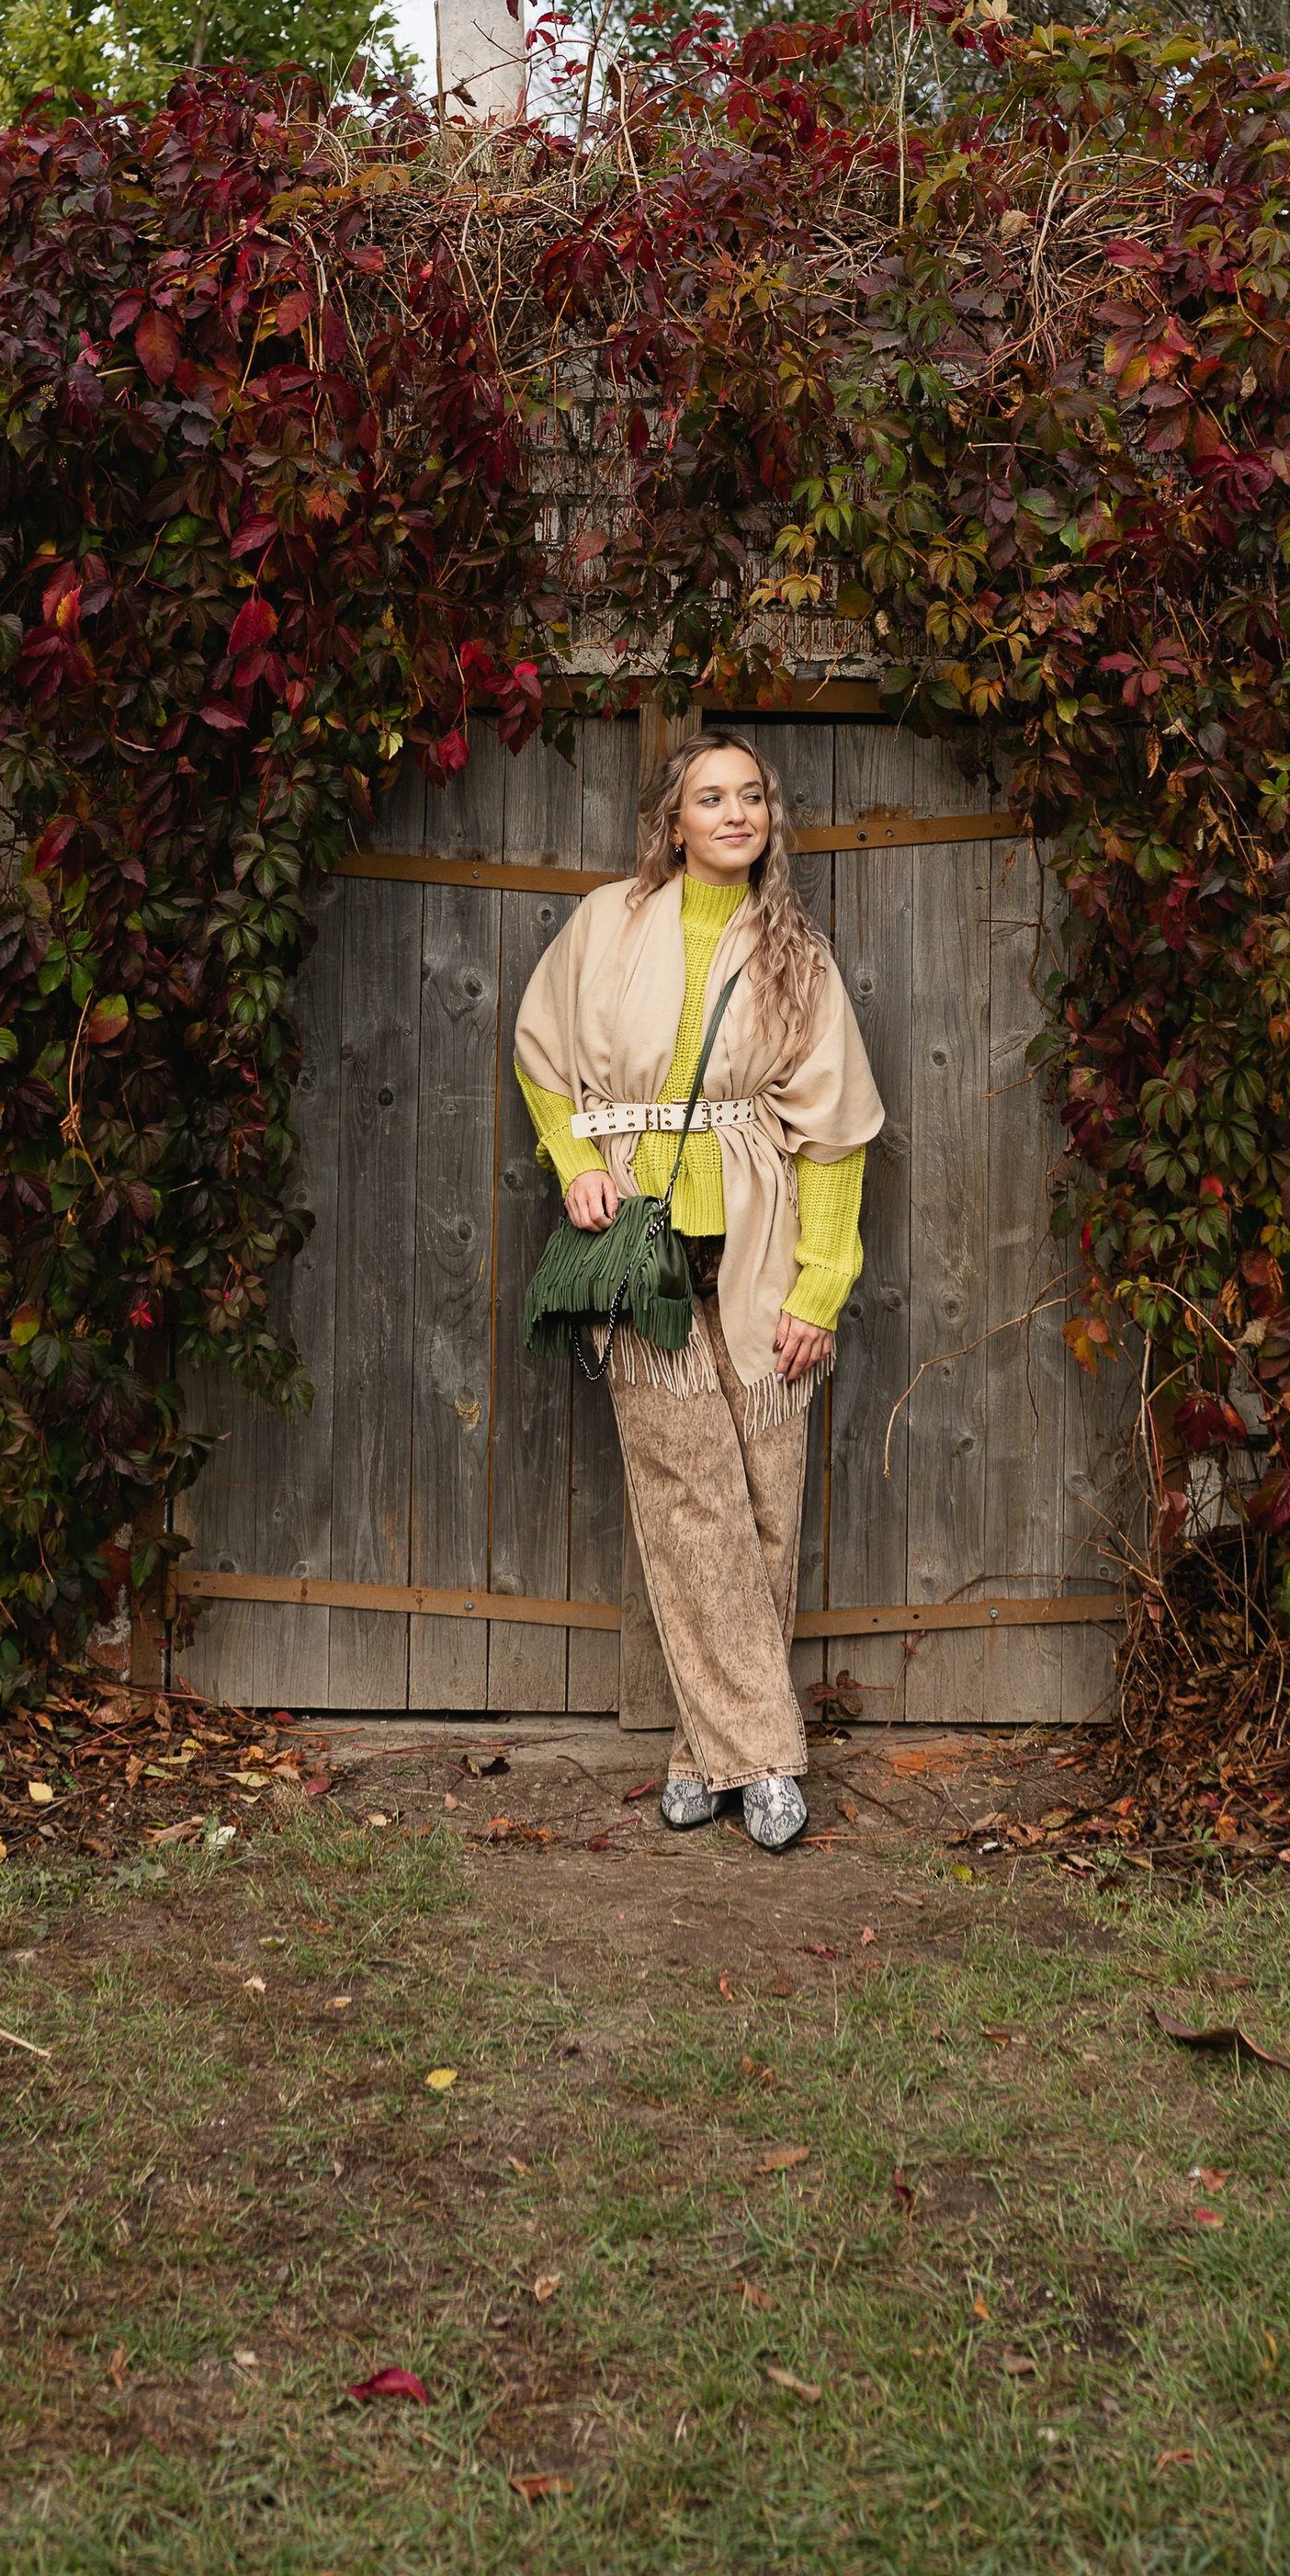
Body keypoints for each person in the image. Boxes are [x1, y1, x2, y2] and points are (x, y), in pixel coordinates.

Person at [514, 738, 884, 1851]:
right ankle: (768, 1763)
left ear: (772, 816)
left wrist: (821, 1286)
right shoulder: (604, 925)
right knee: (693, 1503)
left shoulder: (797, 955)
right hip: (642, 1259)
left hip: (763, 1254)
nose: (735, 813)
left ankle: (701, 1753)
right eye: (709, 798)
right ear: (670, 821)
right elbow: (540, 1058)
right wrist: (575, 1160)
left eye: (752, 796)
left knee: (765, 1502)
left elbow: (837, 1134)